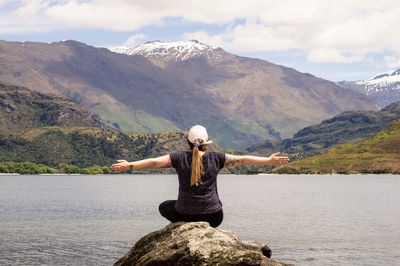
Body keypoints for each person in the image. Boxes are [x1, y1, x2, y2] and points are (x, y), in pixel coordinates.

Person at [111, 125, 289, 228]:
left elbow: (155, 163)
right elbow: (242, 160)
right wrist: (268, 160)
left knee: (164, 206)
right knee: (211, 208)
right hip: (214, 217)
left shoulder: (179, 158)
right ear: (207, 142)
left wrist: (130, 165)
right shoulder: (217, 158)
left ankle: (184, 227)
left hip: (185, 214)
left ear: (188, 142)